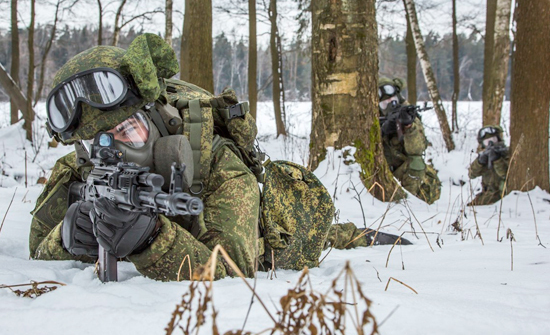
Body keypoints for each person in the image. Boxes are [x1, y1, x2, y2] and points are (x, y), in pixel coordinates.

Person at [30, 35, 410, 282]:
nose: (116, 151)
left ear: (158, 119)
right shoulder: (79, 170)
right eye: (100, 142)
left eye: (129, 130)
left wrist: (149, 240)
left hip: (269, 233)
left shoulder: (215, 160)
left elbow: (234, 271)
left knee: (329, 233)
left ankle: (366, 233)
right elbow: (35, 248)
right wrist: (66, 237)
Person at [377, 77, 441, 204]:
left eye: (393, 101)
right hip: (382, 174)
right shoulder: (374, 120)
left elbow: (416, 150)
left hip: (406, 176)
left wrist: (408, 126)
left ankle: (409, 203)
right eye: (385, 104)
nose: (390, 105)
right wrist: (382, 131)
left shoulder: (409, 117)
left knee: (416, 162)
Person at [467, 125, 509, 206]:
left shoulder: (507, 154)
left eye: (493, 140)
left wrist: (497, 160)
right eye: (487, 142)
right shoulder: (484, 156)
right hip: (487, 196)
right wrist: (480, 162)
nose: (490, 144)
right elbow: (471, 174)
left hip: (502, 196)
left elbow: (505, 174)